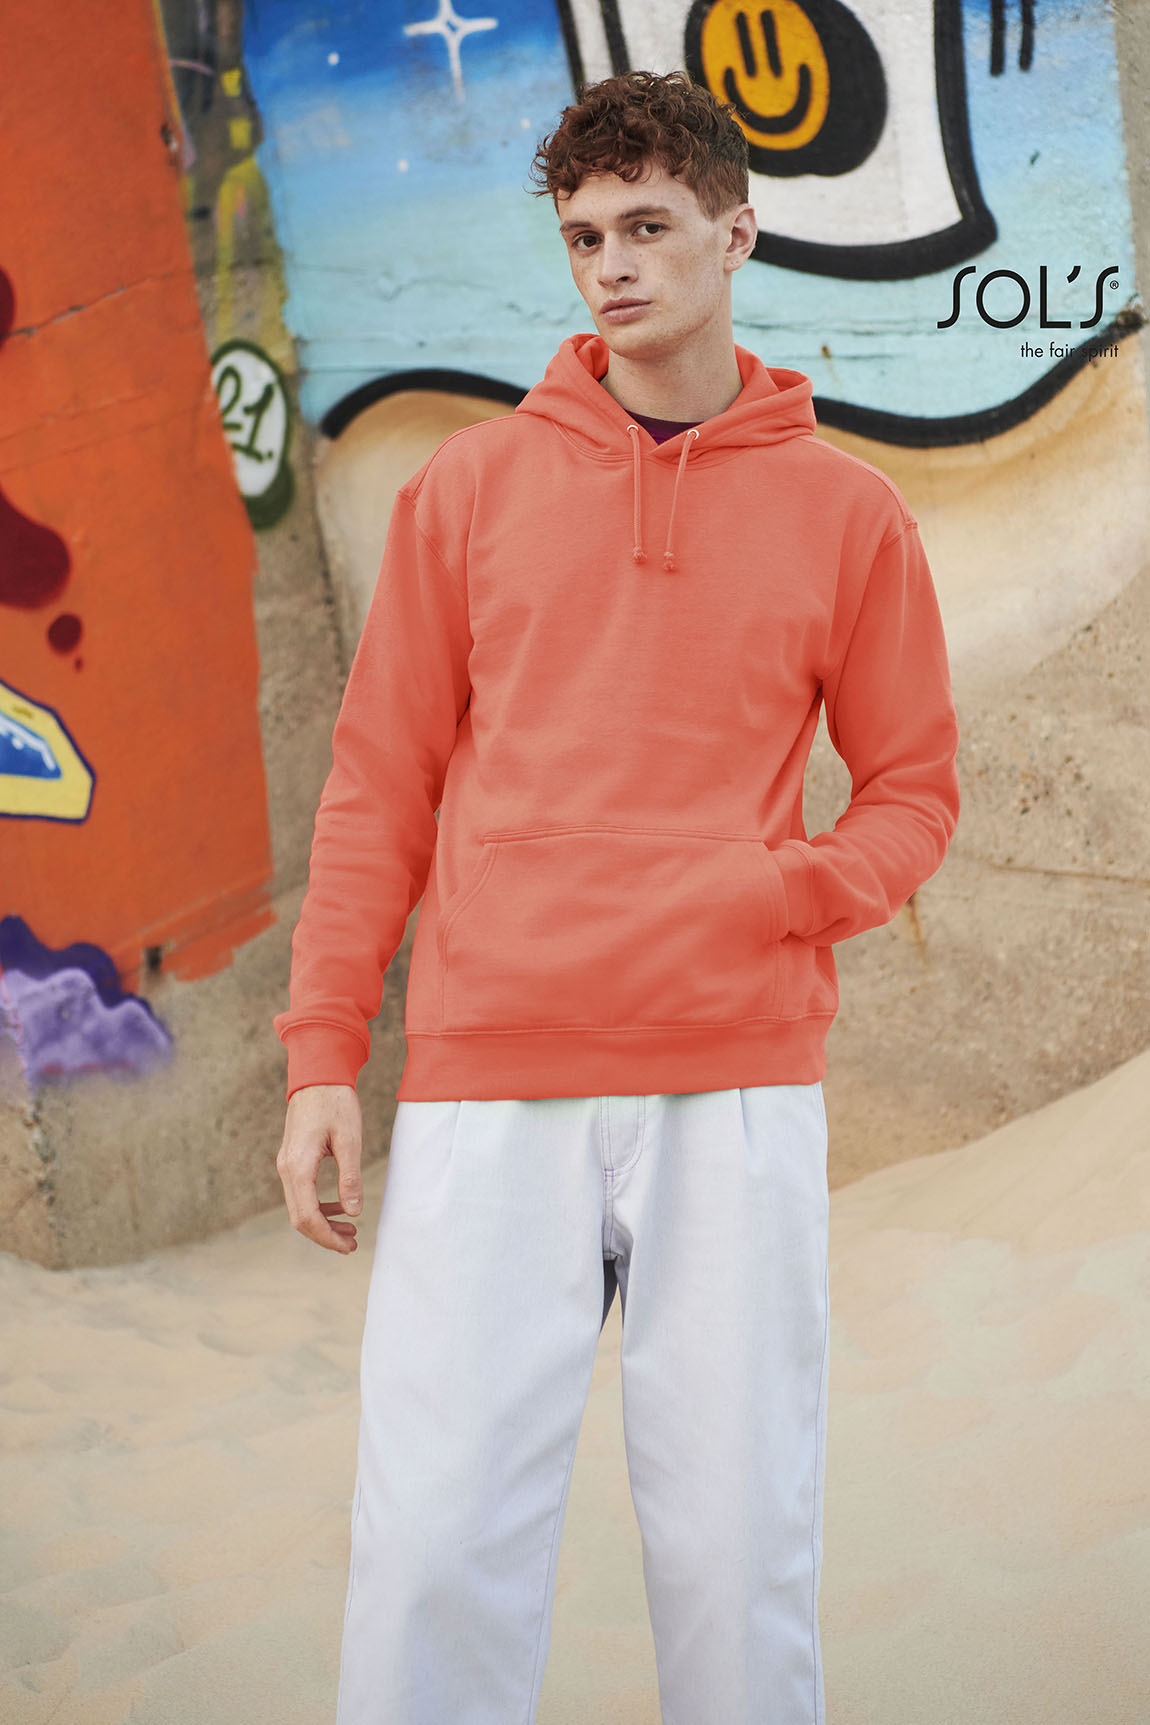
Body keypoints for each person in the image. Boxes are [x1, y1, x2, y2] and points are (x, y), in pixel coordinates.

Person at [273, 68, 961, 1725]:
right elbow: (378, 786)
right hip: (488, 1071)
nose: (613, 266)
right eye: (584, 237)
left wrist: (781, 891)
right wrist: (320, 1054)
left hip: (732, 1077)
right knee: (433, 1547)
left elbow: (913, 789)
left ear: (737, 234)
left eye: (647, 227)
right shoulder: (468, 489)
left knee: (734, 1556)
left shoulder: (846, 512)